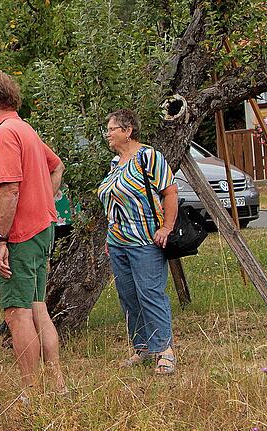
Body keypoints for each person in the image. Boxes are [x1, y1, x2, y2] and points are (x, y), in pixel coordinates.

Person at [0, 70, 66, 392]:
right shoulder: (25, 128)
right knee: (38, 306)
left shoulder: (4, 134)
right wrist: (45, 197)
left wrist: (1, 237)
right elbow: (57, 166)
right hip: (43, 227)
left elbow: (10, 189)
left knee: (17, 313)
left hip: (21, 234)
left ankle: (30, 392)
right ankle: (56, 384)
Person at [97, 108, 178, 375]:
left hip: (145, 240)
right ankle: (142, 347)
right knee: (129, 296)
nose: (107, 134)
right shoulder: (115, 164)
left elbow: (170, 192)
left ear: (128, 130)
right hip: (118, 241)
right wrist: (111, 236)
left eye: (111, 129)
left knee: (150, 293)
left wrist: (166, 227)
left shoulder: (148, 157)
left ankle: (164, 350)